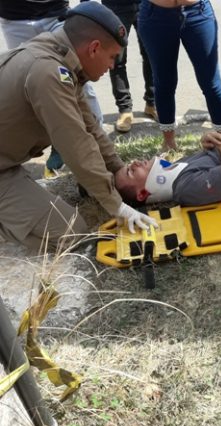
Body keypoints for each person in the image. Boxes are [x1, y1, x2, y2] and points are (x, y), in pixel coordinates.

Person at [0, 1, 157, 252]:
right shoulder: (49, 73)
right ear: (93, 48)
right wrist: (117, 206)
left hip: (6, 162)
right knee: (70, 233)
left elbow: (90, 126)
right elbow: (77, 146)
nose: (112, 66)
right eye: (112, 57)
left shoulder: (59, 57)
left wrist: (117, 168)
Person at [0, 0, 104, 178]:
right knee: (30, 89)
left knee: (80, 81)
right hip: (14, 18)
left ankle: (99, 153)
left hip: (56, 14)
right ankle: (57, 145)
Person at [137, 0, 221, 152]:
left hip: (198, 12)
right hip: (155, 15)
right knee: (164, 82)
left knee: (211, 82)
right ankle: (168, 143)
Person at [82, 0, 157, 133]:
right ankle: (125, 109)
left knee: (151, 56)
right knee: (117, 60)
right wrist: (85, 8)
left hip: (145, 4)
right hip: (115, 7)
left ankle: (152, 103)